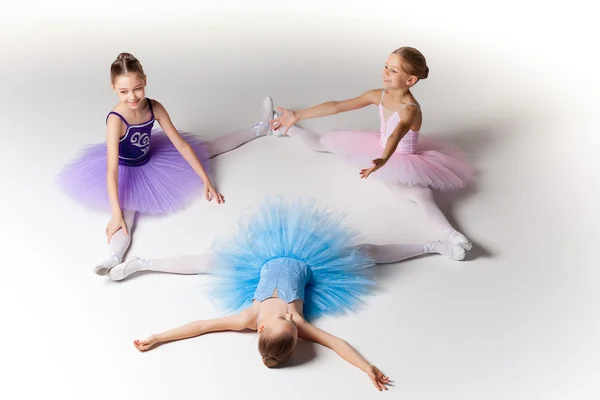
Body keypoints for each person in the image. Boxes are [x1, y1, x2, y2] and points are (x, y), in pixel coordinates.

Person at [125, 195, 466, 391]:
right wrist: (367, 368)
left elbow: (199, 326)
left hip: (270, 254)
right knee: (363, 252)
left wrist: (158, 336)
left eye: (285, 319)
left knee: (211, 261)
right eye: (293, 321)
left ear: (261, 328)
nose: (290, 316)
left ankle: (146, 262)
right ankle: (432, 245)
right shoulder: (295, 324)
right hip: (311, 260)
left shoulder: (249, 317)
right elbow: (338, 344)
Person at [55, 52, 276, 275]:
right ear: (113, 88)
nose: (132, 97)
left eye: (137, 88)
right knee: (126, 214)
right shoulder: (116, 119)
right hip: (126, 170)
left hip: (154, 157)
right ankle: (113, 259)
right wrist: (115, 212)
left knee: (208, 148)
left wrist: (206, 180)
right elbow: (112, 171)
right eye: (124, 92)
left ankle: (260, 128)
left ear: (145, 81)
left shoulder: (154, 107)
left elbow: (181, 145)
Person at [270, 46, 475, 251]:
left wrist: (384, 160)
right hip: (376, 146)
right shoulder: (379, 95)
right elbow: (336, 106)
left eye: (393, 71)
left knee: (421, 195)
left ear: (410, 80)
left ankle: (451, 235)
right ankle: (286, 127)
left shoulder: (411, 109)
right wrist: (298, 114)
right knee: (323, 142)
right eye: (386, 66)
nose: (386, 73)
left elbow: (397, 134)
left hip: (399, 158)